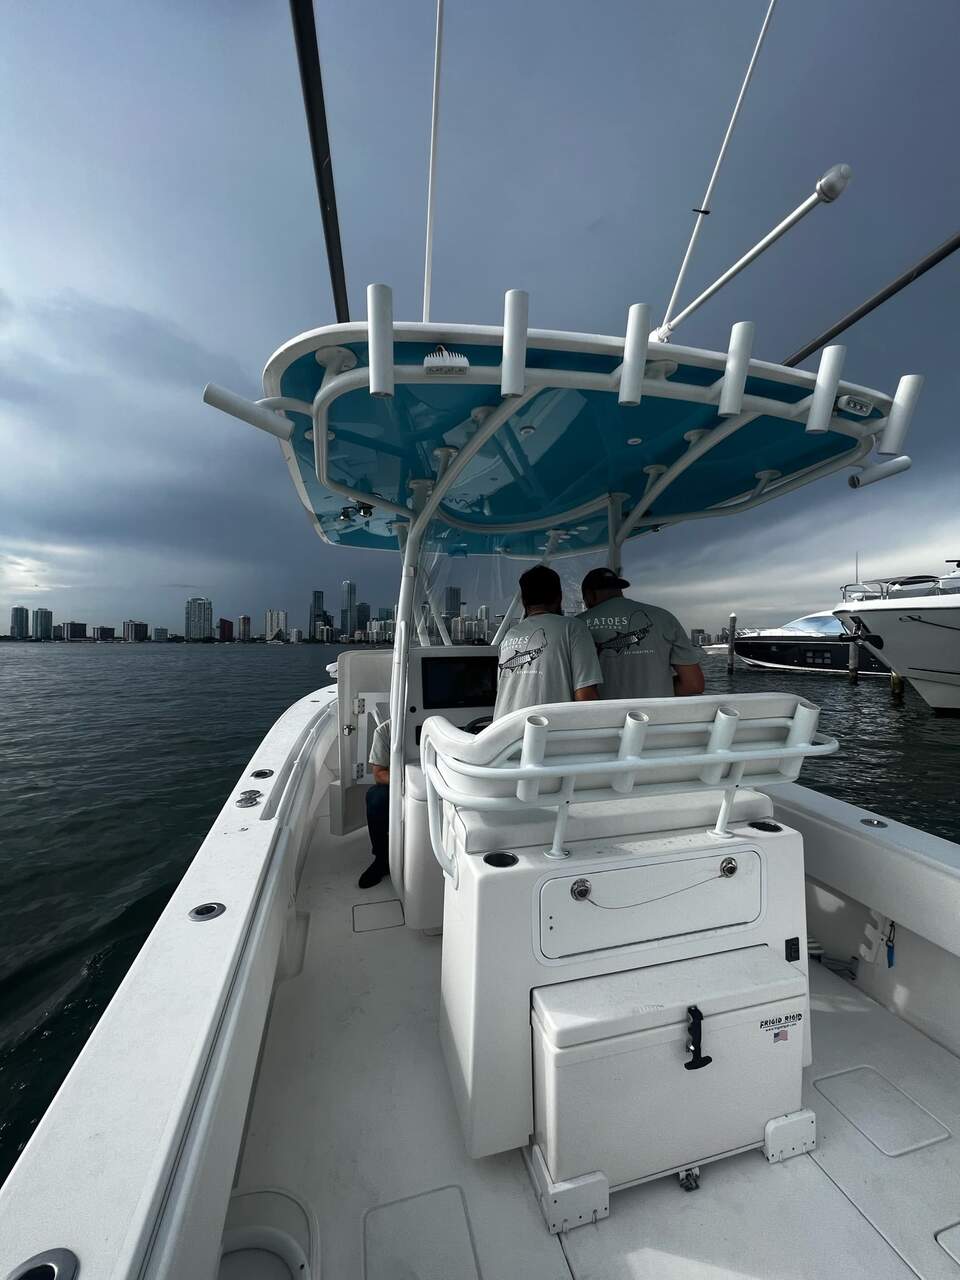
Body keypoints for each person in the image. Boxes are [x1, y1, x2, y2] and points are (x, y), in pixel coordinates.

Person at [579, 566, 705, 699]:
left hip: (605, 717)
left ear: (589, 595)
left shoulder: (576, 624)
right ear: (620, 590)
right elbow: (693, 684)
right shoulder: (664, 618)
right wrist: (660, 687)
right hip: (657, 716)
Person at [494, 565, 602, 719]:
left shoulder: (509, 636)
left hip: (504, 736)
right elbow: (586, 697)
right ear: (559, 597)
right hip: (546, 737)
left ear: (524, 601)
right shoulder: (573, 628)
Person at [360, 717, 391, 889]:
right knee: (375, 797)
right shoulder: (385, 730)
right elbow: (379, 774)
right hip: (402, 784)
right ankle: (381, 859)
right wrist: (404, 782)